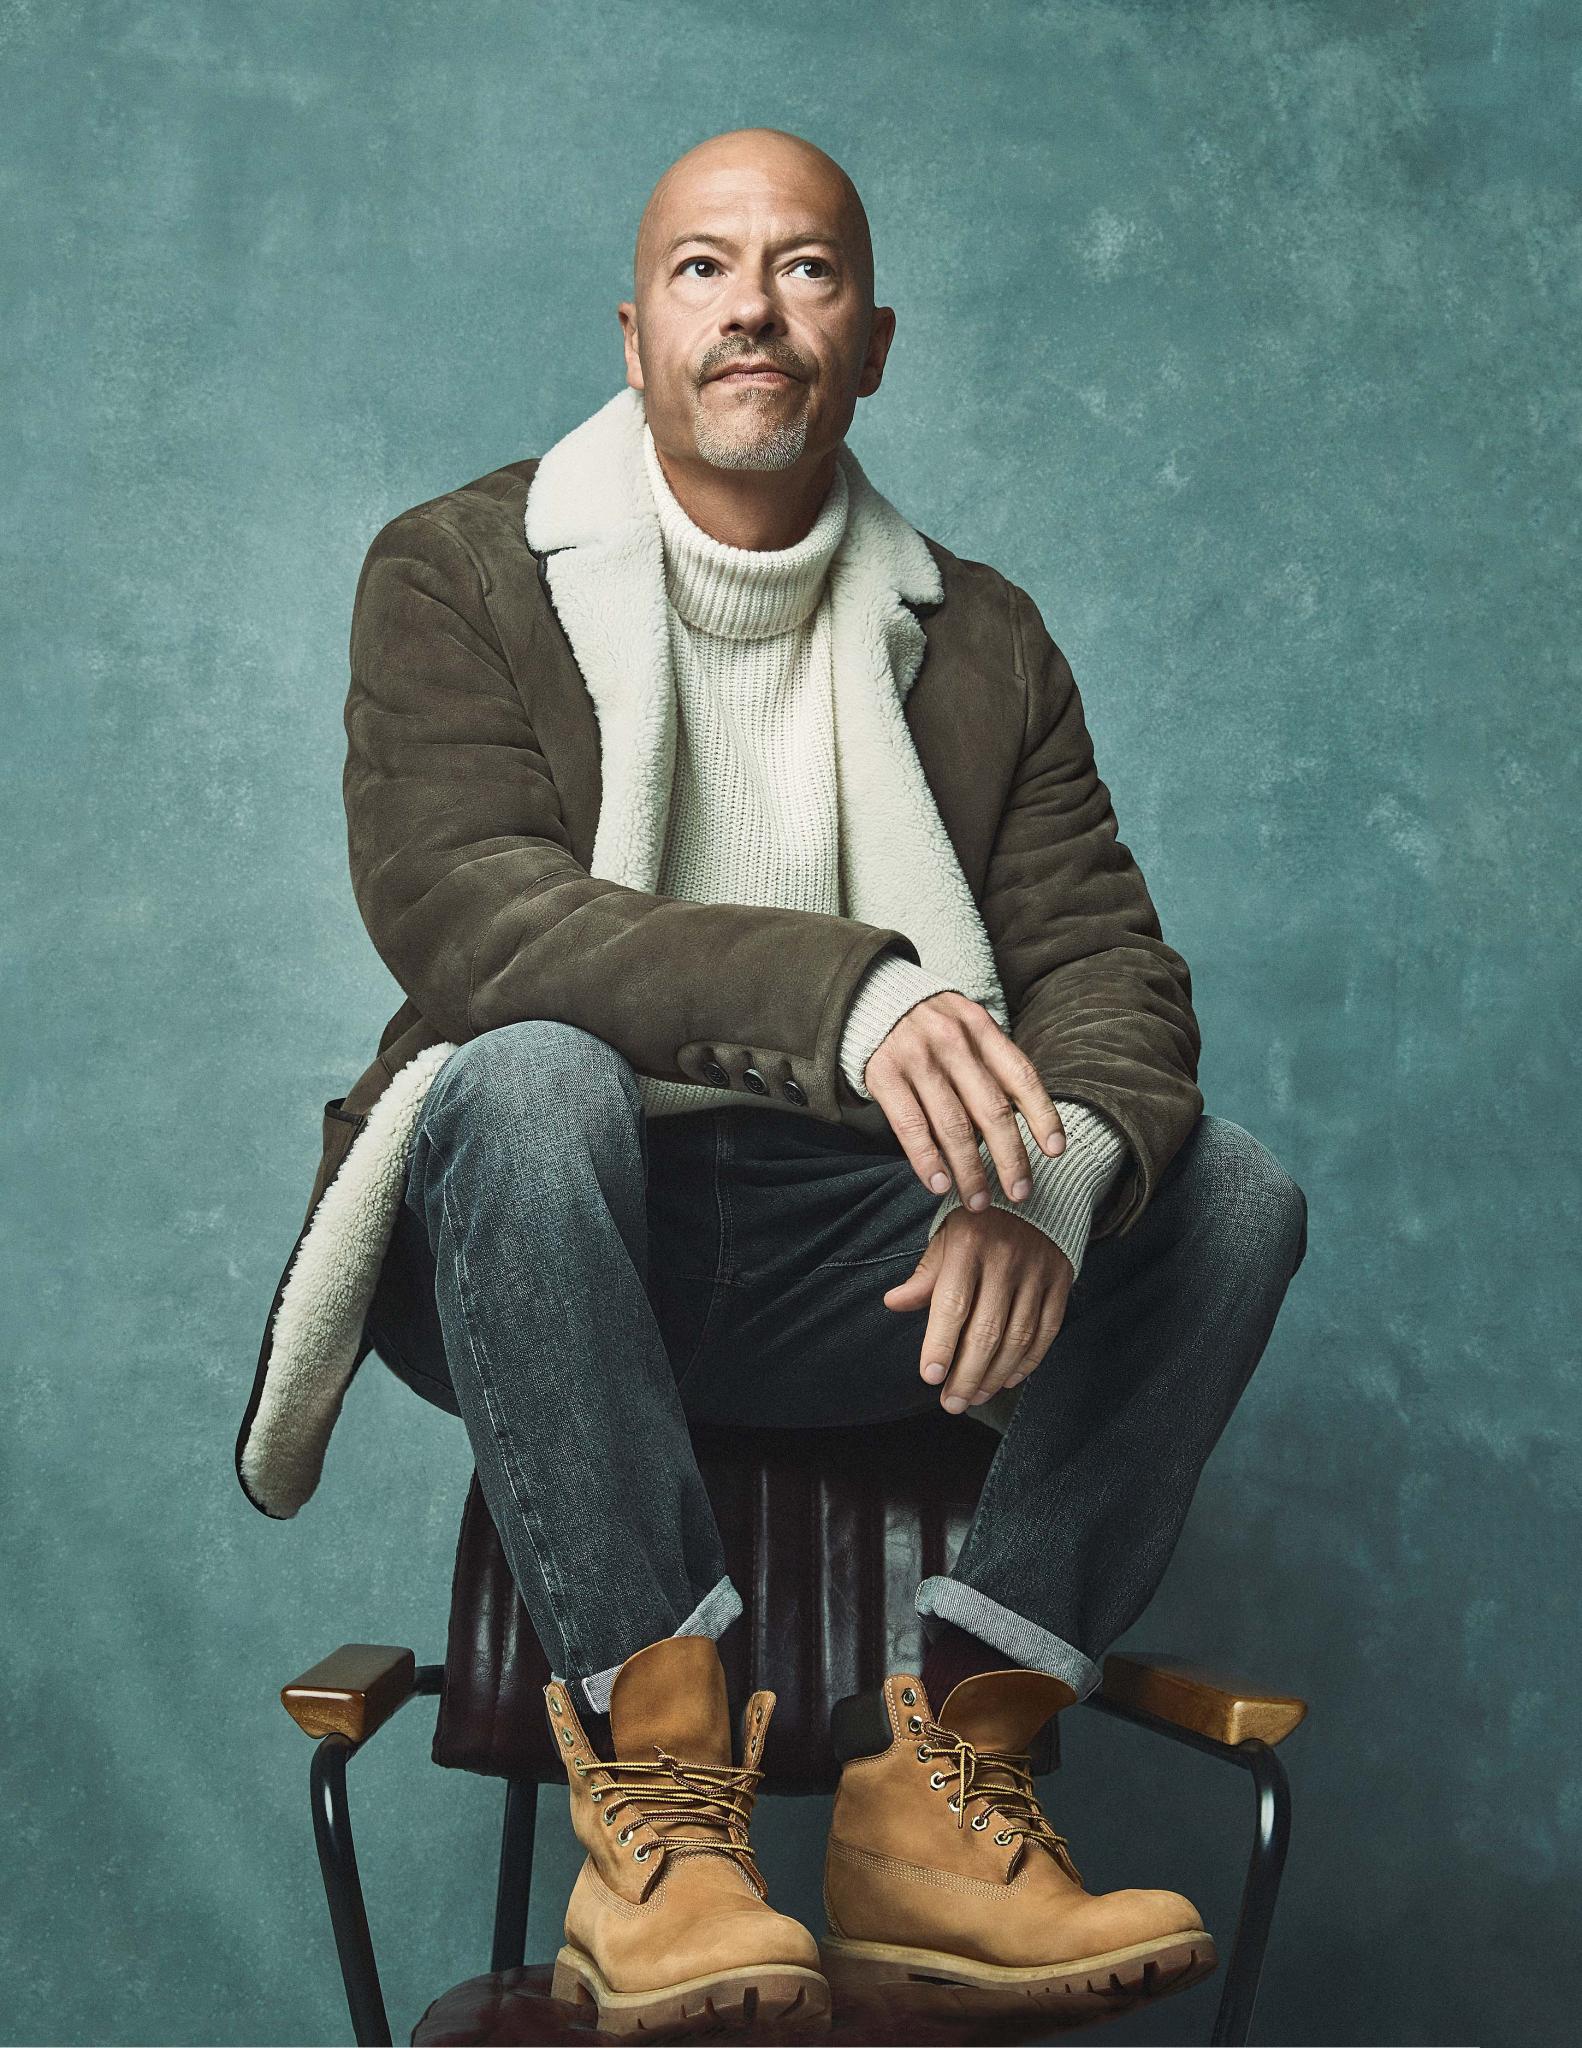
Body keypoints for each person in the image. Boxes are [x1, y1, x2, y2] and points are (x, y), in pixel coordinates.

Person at [236, 126, 1308, 2038]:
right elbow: (469, 911)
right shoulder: (460, 570)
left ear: (869, 343)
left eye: (804, 268)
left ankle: (943, 1790)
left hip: (847, 1263)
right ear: (634, 332)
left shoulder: (982, 639)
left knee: (1222, 1189)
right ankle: (659, 1815)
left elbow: (1106, 976)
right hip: (541, 1226)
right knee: (531, 1077)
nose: (753, 308)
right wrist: (853, 999)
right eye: (704, 269)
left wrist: (1046, 1190)